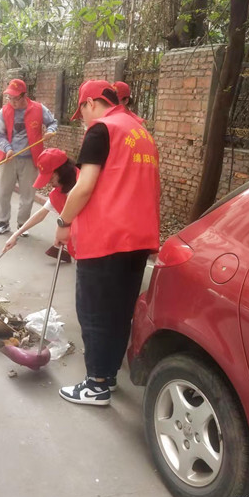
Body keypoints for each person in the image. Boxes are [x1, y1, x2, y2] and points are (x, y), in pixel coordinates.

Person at [55, 80, 160, 406]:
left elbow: (84, 187)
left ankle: (96, 384)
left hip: (106, 238)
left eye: (82, 111)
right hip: (139, 239)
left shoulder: (102, 130)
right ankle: (108, 375)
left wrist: (64, 222)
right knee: (119, 312)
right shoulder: (140, 132)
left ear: (91, 103)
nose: (83, 119)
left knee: (94, 312)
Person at [0, 78, 57, 237]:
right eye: (10, 98)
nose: (12, 102)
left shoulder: (38, 109)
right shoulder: (4, 112)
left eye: (15, 98)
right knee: (3, 192)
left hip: (30, 159)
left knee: (27, 194)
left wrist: (51, 131)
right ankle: (3, 222)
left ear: (24, 96)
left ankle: (22, 225)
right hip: (8, 158)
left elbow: (53, 123)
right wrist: (7, 148)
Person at [2, 148, 75, 263]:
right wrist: (16, 235)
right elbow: (41, 214)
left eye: (50, 177)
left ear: (62, 171)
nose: (49, 183)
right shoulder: (58, 192)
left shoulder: (83, 186)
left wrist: (63, 227)